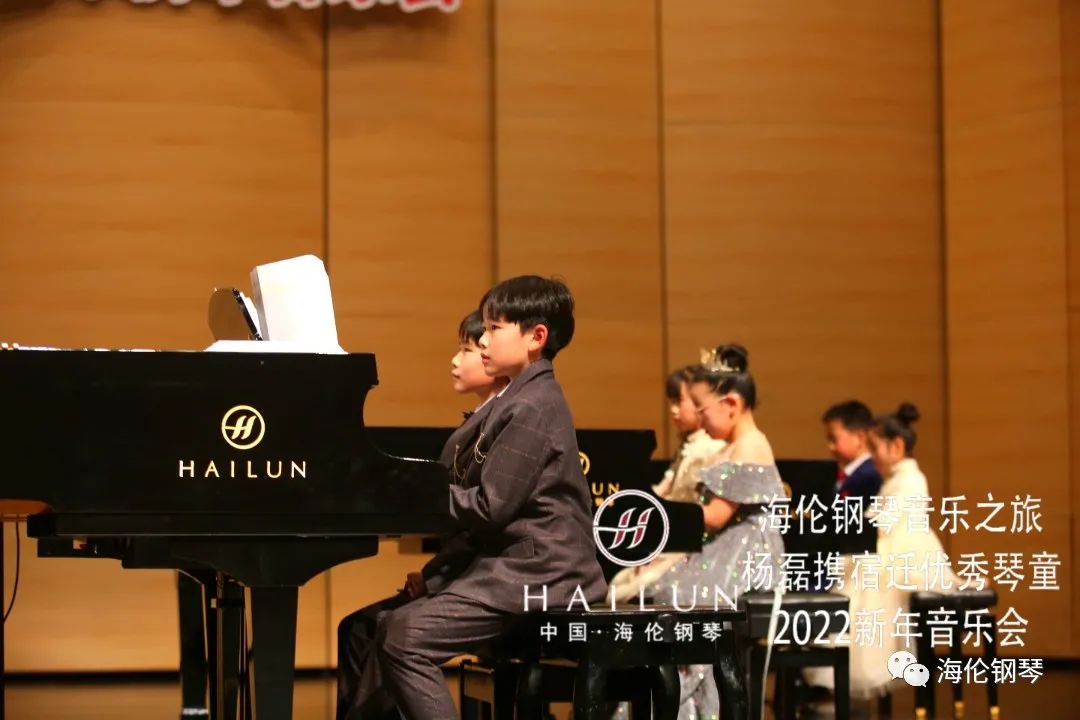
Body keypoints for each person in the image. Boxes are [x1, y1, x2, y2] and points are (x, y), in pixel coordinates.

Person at [374, 275, 607, 720]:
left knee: (403, 637)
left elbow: (490, 506)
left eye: (494, 328)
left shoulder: (531, 405)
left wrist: (415, 492)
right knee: (391, 627)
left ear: (536, 337)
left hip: (543, 571)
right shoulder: (520, 397)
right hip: (518, 565)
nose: (483, 339)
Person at [335, 309, 505, 720]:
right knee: (355, 628)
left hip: (488, 583)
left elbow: (489, 526)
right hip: (462, 573)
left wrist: (434, 579)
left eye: (466, 350)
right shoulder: (476, 425)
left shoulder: (503, 425)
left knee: (387, 628)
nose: (454, 360)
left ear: (491, 359)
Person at [643, 344, 786, 720]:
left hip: (748, 554)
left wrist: (662, 516)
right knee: (663, 590)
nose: (700, 418)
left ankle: (686, 704)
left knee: (678, 596)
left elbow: (715, 517)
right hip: (727, 548)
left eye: (702, 409)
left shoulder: (751, 445)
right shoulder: (733, 445)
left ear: (732, 404)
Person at [607, 364, 727, 603]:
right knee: (618, 585)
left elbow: (701, 515)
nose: (673, 410)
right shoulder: (689, 447)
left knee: (629, 591)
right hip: (674, 539)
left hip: (694, 547)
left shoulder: (709, 449)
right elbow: (663, 495)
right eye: (671, 402)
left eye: (680, 401)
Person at [822, 400, 883, 500]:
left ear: (860, 438)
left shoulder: (869, 477)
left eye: (834, 439)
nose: (830, 446)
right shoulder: (853, 473)